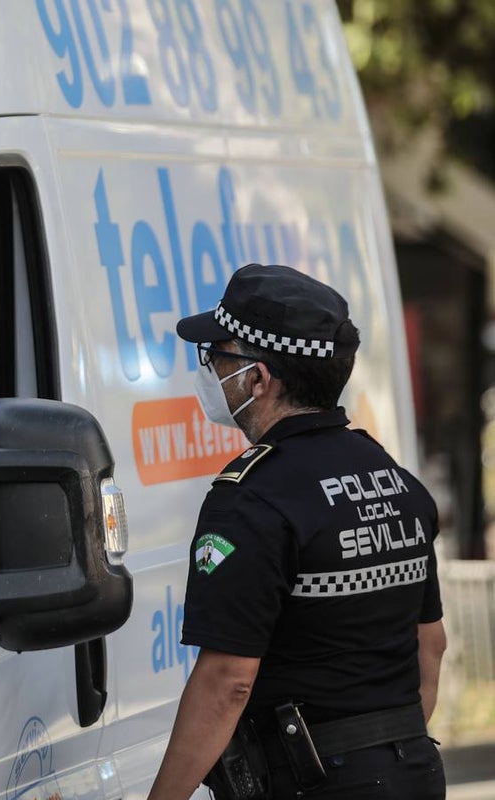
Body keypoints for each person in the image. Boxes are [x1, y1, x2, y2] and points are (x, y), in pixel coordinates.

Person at [147, 263, 447, 800]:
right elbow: (431, 644)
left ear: (257, 379)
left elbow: (228, 682)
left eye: (217, 356)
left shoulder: (251, 498)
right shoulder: (394, 480)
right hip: (414, 772)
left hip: (313, 783)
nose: (210, 371)